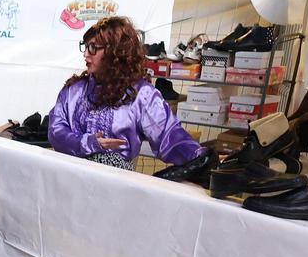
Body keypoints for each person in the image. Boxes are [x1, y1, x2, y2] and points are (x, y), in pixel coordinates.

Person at [47, 16, 208, 173]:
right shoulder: (73, 90)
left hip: (116, 183)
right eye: (86, 46)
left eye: (93, 48)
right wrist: (90, 143)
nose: (85, 54)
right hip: (69, 175)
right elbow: (56, 131)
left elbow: (169, 135)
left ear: (114, 52)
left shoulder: (141, 95)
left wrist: (199, 157)